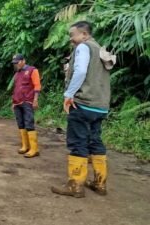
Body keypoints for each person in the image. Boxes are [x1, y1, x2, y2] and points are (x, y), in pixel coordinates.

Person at [51, 21, 111, 198]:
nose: (71, 39)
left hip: (83, 103)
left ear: (84, 34)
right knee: (95, 141)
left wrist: (69, 95)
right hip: (100, 106)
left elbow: (80, 71)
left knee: (78, 142)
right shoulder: (100, 50)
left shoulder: (84, 48)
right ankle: (100, 183)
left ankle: (75, 185)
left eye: (73, 35)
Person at [11, 54, 41, 158]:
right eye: (15, 63)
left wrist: (35, 100)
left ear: (23, 60)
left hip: (28, 101)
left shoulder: (32, 70)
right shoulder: (17, 73)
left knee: (29, 123)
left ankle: (34, 149)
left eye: (17, 62)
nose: (16, 64)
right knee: (21, 124)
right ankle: (25, 146)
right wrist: (13, 102)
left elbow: (37, 85)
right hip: (17, 102)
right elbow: (16, 88)